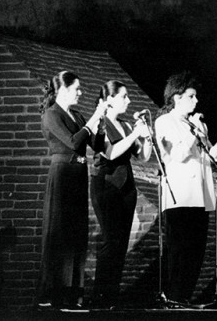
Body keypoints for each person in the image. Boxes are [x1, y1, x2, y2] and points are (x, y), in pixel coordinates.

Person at [154, 72, 217, 304]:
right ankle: (173, 298)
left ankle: (185, 298)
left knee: (196, 251)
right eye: (191, 96)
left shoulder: (195, 124)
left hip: (201, 194)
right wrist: (195, 132)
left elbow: (211, 157)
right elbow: (176, 155)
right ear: (177, 97)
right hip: (180, 195)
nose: (196, 101)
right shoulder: (164, 122)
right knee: (179, 250)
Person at [38, 71, 108, 309]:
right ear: (63, 90)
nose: (80, 92)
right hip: (63, 175)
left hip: (78, 176)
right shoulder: (51, 115)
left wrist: (100, 124)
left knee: (77, 234)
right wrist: (93, 118)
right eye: (76, 88)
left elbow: (96, 146)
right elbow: (73, 142)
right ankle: (54, 295)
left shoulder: (77, 115)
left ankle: (73, 296)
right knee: (61, 233)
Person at [89, 80, 152, 308]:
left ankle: (111, 296)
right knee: (110, 240)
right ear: (110, 99)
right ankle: (100, 296)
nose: (129, 100)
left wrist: (145, 137)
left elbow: (143, 157)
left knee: (121, 243)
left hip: (126, 187)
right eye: (124, 96)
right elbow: (112, 153)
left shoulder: (125, 126)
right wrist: (136, 133)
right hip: (106, 185)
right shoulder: (102, 124)